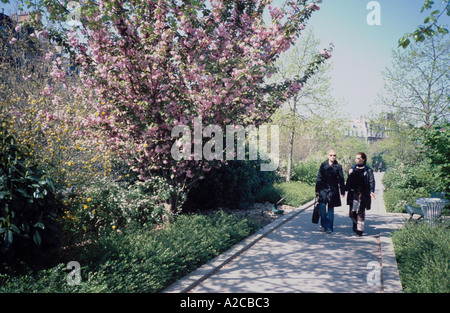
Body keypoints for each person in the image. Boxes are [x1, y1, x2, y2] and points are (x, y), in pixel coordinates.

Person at [315, 150, 346, 233]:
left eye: (334, 155)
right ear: (328, 156)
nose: (333, 156)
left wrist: (342, 191)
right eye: (331, 155)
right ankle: (324, 224)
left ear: (336, 156)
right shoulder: (323, 165)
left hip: (333, 190)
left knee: (331, 209)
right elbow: (319, 177)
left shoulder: (338, 166)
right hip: (323, 189)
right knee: (322, 207)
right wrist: (317, 189)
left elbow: (341, 179)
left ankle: (329, 227)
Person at [346, 152, 376, 236]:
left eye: (358, 158)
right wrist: (349, 174)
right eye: (356, 158)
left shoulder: (368, 170)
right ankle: (355, 224)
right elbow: (349, 182)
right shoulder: (353, 168)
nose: (356, 160)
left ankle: (360, 230)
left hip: (363, 194)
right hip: (354, 194)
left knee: (361, 212)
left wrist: (371, 191)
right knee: (352, 212)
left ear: (363, 159)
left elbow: (371, 181)